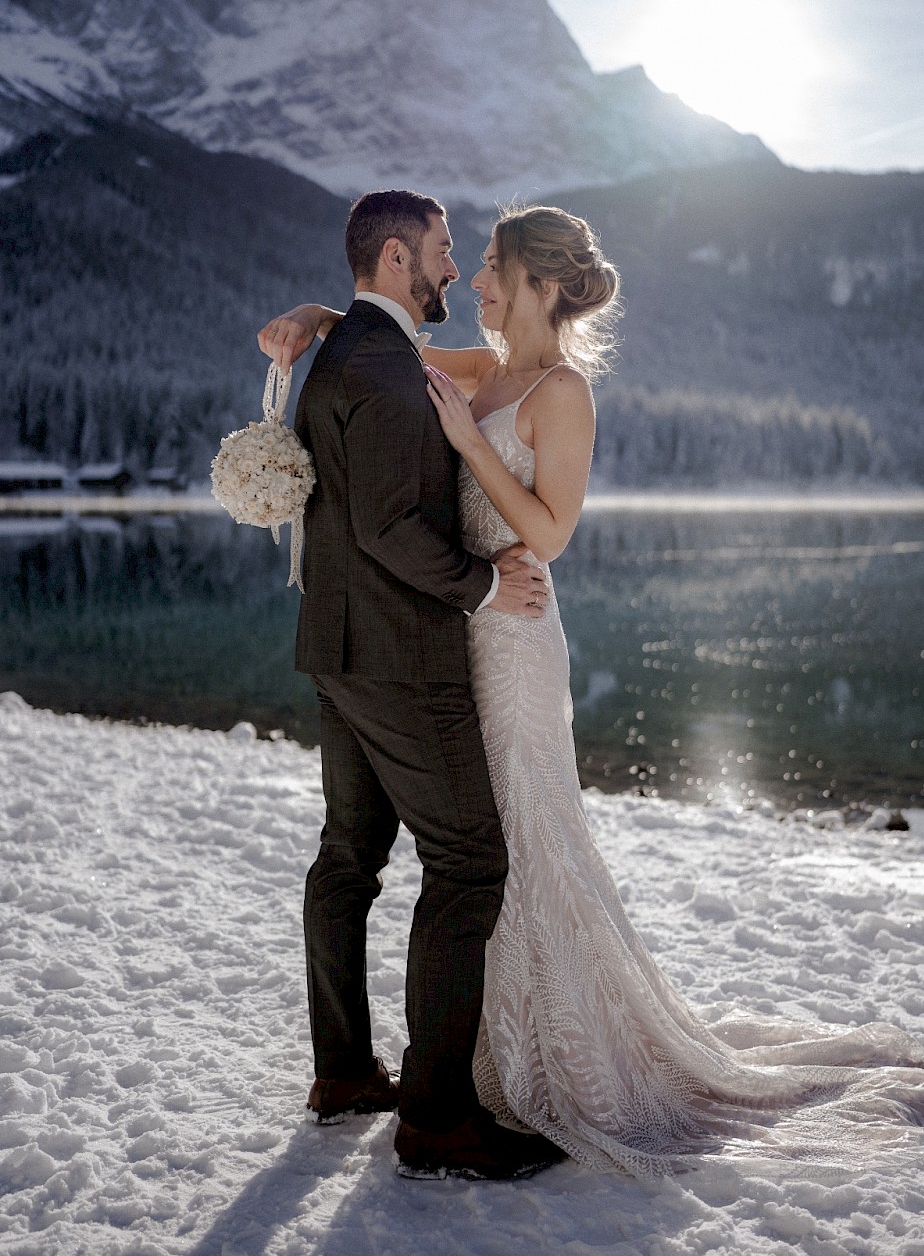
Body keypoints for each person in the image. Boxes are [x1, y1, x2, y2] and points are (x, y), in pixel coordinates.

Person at [263, 203, 924, 1179]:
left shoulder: (561, 390)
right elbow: (379, 347)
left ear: (541, 283)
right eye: (461, 263)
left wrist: (471, 451)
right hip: (457, 629)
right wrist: (314, 315)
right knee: (477, 844)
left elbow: (548, 537)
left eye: (491, 266)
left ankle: (515, 1054)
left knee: (515, 838)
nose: (473, 280)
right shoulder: (482, 366)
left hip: (510, 632)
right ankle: (467, 1061)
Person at [283, 189, 565, 1182]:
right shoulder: (390, 373)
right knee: (468, 861)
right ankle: (436, 1117)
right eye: (445, 253)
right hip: (403, 656)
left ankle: (343, 1068)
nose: (455, 269)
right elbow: (390, 527)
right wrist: (487, 583)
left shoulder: (348, 352)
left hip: (337, 644)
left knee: (350, 853)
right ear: (399, 257)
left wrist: (318, 311)